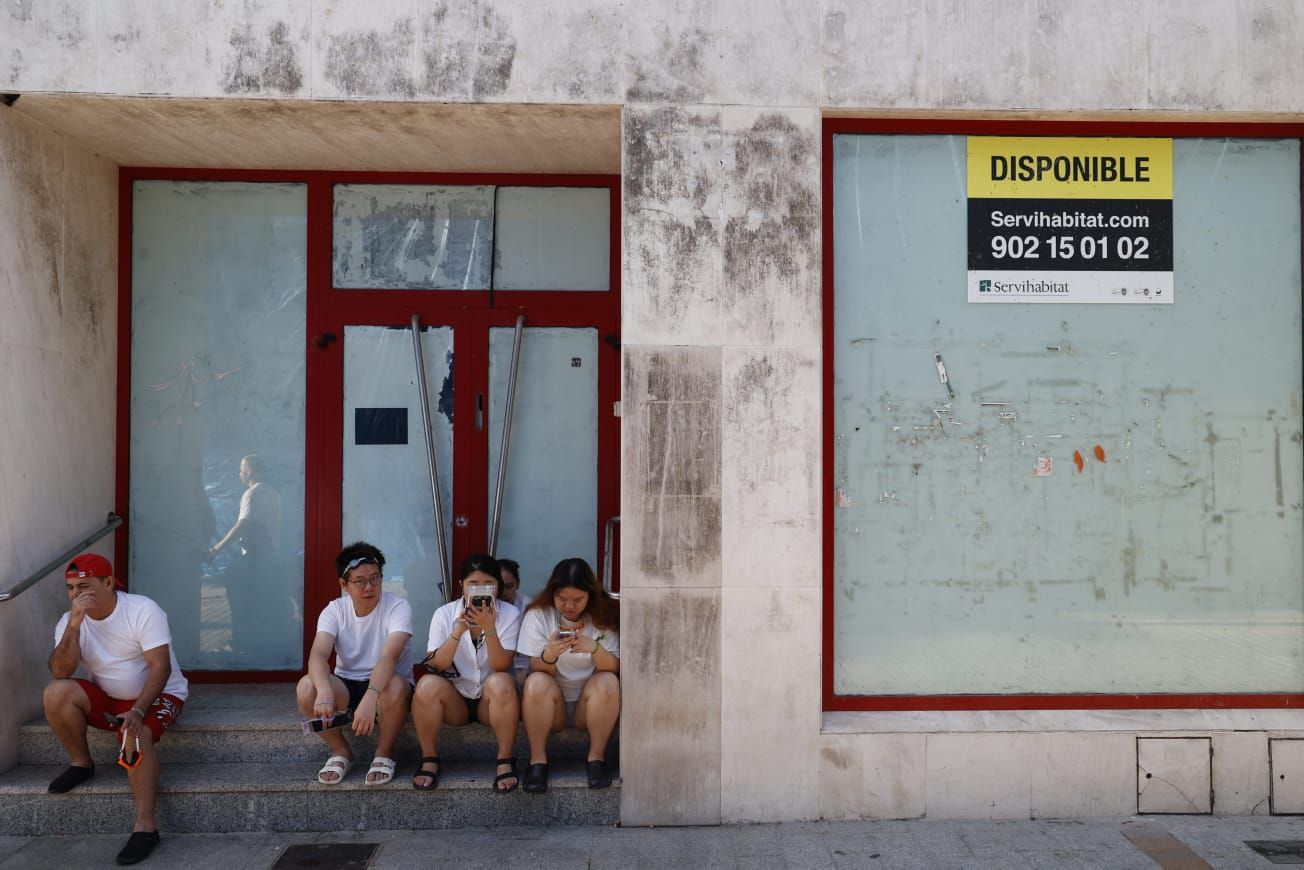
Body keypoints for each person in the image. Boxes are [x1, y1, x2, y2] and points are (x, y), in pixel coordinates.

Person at [44, 553, 190, 866]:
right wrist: (74, 626)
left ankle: (145, 827)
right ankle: (81, 763)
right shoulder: (70, 622)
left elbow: (160, 668)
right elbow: (60, 671)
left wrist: (138, 711)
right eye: (70, 588)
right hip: (110, 698)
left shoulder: (141, 609)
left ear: (108, 583)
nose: (76, 594)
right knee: (56, 693)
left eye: (84, 585)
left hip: (158, 694)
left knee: (134, 737)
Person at [295, 542, 413, 786]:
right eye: (360, 581)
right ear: (343, 584)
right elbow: (318, 654)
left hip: (387, 685)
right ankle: (341, 751)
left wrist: (371, 696)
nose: (369, 587)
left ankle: (384, 751)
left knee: (396, 685)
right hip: (347, 684)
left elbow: (389, 656)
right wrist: (325, 691)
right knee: (307, 688)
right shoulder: (335, 610)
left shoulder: (398, 606)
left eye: (375, 579)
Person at [410, 553, 522, 792]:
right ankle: (429, 758)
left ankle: (504, 760)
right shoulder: (445, 614)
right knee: (427, 685)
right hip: (456, 699)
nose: (480, 589)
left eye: (487, 584)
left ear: (498, 586)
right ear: (461, 585)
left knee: (501, 681)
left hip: (491, 702)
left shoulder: (510, 614)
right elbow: (436, 664)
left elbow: (501, 665)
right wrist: (458, 630)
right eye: (473, 583)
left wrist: (489, 627)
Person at [517, 557, 620, 793]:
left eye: (577, 600)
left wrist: (593, 648)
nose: (569, 606)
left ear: (591, 596)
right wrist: (551, 653)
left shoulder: (605, 615)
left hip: (590, 703)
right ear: (552, 594)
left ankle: (596, 758)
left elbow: (614, 667)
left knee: (608, 682)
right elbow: (535, 667)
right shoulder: (539, 615)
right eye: (562, 599)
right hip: (553, 707)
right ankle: (537, 761)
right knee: (536, 683)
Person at [209, 453, 283, 659]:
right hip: (270, 557)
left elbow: (243, 525)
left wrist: (216, 549)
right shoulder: (274, 494)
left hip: (254, 558)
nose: (239, 474)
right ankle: (256, 646)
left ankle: (239, 643)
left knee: (239, 597)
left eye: (241, 470)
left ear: (249, 472)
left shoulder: (252, 494)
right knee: (260, 603)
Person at [498, 558, 532, 686]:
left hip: (522, 668)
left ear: (517, 584)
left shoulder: (528, 606)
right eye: (500, 587)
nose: (503, 593)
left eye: (509, 587)